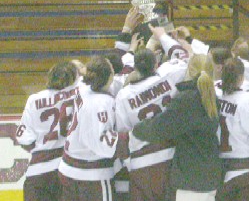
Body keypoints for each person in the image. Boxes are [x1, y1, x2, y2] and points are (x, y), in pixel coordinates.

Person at [133, 54, 222, 201]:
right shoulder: (211, 96)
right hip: (210, 171)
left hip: (191, 176)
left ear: (189, 70)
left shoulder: (188, 100)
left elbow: (159, 128)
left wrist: (136, 129)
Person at [115, 47, 185, 201]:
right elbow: (187, 60)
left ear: (135, 67)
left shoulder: (123, 95)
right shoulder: (169, 76)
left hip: (142, 161)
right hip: (172, 155)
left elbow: (123, 132)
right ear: (155, 64)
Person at [58, 56, 119, 201]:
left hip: (67, 168)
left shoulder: (80, 86)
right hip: (92, 175)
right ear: (109, 76)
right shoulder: (102, 103)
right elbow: (101, 146)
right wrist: (124, 137)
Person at [16, 61, 78, 201]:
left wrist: (41, 149)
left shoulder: (34, 99)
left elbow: (24, 139)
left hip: (38, 173)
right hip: (67, 169)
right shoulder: (79, 95)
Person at [216, 58, 249, 201]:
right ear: (241, 78)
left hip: (220, 172)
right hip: (245, 172)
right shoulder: (248, 100)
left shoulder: (215, 96)